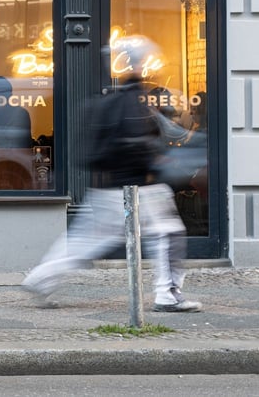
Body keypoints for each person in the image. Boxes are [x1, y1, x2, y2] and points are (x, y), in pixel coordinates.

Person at [21, 35, 201, 313]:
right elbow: (136, 144)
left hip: (107, 188)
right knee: (168, 234)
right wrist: (157, 161)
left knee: (85, 242)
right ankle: (168, 294)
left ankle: (41, 278)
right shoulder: (133, 101)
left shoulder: (114, 99)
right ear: (139, 63)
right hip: (137, 189)